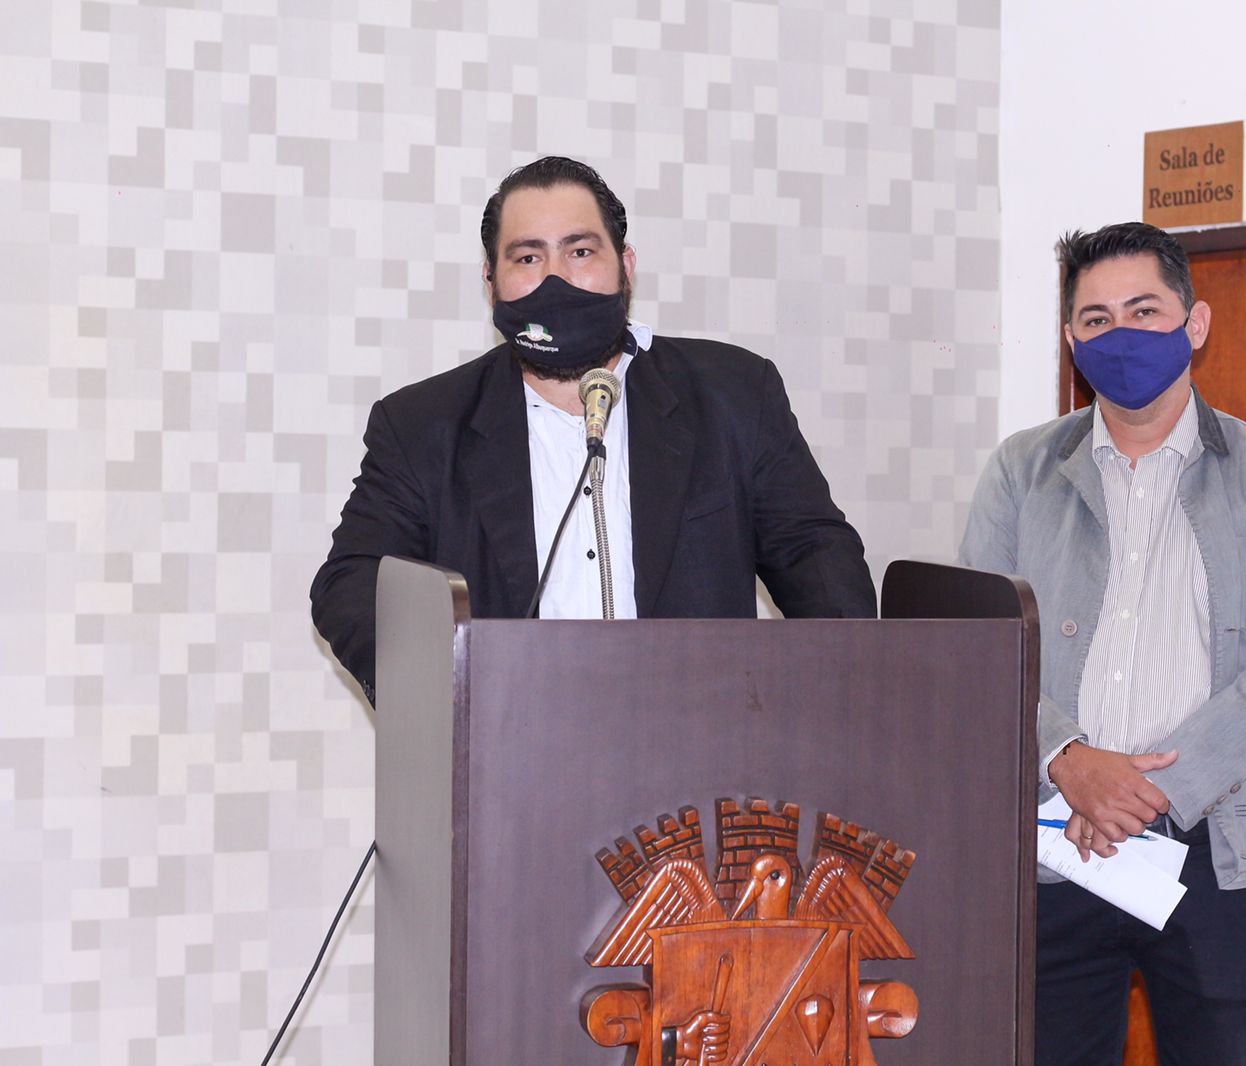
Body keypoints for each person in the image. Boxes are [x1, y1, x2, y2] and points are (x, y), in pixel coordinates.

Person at [959, 222, 1246, 1065]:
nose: (1120, 334)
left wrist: (1149, 787)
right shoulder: (1021, 471)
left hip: (1218, 849)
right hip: (1056, 844)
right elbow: (978, 644)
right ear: (1071, 341)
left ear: (1193, 323)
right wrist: (1068, 759)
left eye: (1144, 310)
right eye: (1096, 319)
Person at [311, 157, 876, 702]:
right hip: (508, 741)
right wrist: (445, 699)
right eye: (528, 258)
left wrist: (830, 703)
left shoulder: (734, 395)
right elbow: (354, 584)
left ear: (625, 265)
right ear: (490, 281)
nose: (556, 280)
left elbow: (816, 556)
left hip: (703, 742)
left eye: (580, 252)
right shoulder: (421, 425)